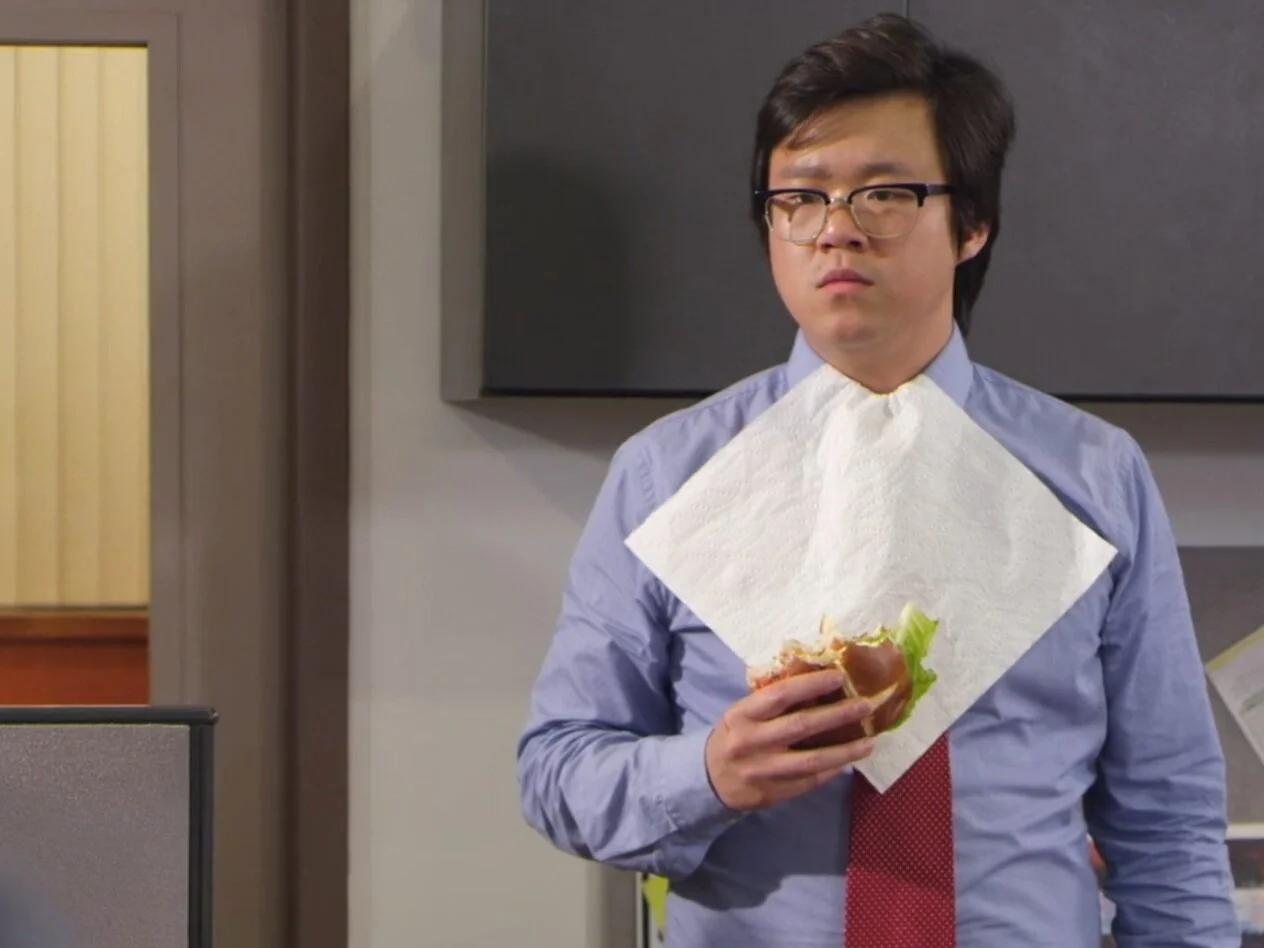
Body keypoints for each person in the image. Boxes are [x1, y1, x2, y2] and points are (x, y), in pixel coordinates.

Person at [516, 13, 1238, 946]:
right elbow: (557, 770)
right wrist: (709, 774)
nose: (835, 231)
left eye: (884, 194)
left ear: (971, 223)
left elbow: (1169, 821)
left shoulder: (1094, 475)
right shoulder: (667, 475)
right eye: (800, 198)